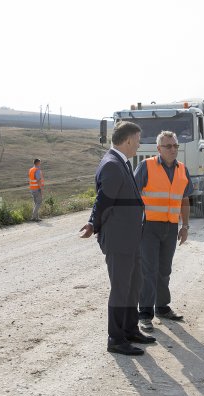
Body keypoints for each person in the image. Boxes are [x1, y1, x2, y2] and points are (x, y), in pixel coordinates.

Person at [79, 121, 155, 356]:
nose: (139, 144)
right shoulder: (112, 164)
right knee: (121, 289)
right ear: (129, 140)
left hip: (130, 238)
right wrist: (94, 224)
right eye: (138, 139)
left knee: (133, 286)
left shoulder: (120, 162)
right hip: (119, 239)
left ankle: (130, 329)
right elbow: (103, 200)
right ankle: (116, 338)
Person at [134, 130, 193, 332]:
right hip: (148, 227)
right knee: (148, 271)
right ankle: (145, 314)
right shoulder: (146, 166)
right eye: (168, 146)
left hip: (170, 227)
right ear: (159, 148)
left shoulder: (182, 170)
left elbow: (185, 200)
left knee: (164, 270)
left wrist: (184, 226)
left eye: (175, 145)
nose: (173, 149)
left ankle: (162, 307)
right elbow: (133, 196)